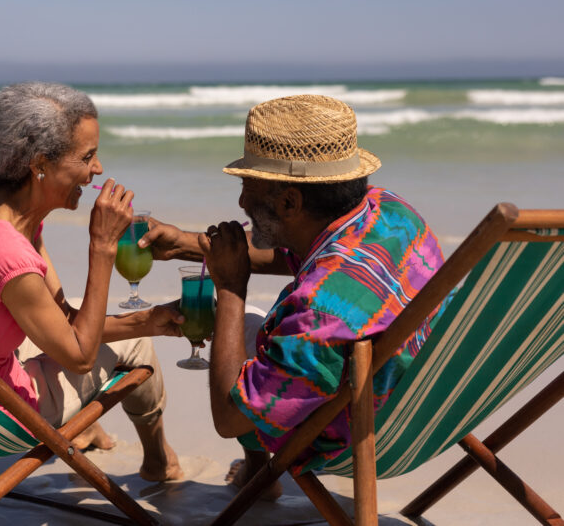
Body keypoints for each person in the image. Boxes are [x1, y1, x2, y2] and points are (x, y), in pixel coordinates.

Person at [139, 94, 446, 496]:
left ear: (289, 201)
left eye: (247, 184)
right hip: (431, 411)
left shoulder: (320, 309)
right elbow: (294, 248)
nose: (241, 200)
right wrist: (185, 243)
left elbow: (229, 418)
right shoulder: (388, 212)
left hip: (354, 434)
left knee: (243, 322)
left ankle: (259, 476)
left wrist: (230, 287)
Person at [0, 82, 183, 482]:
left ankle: (87, 423)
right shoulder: (6, 251)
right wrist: (103, 247)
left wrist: (150, 318)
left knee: (117, 322)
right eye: (87, 156)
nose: (98, 169)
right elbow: (80, 355)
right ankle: (160, 462)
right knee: (137, 346)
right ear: (39, 164)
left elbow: (62, 316)